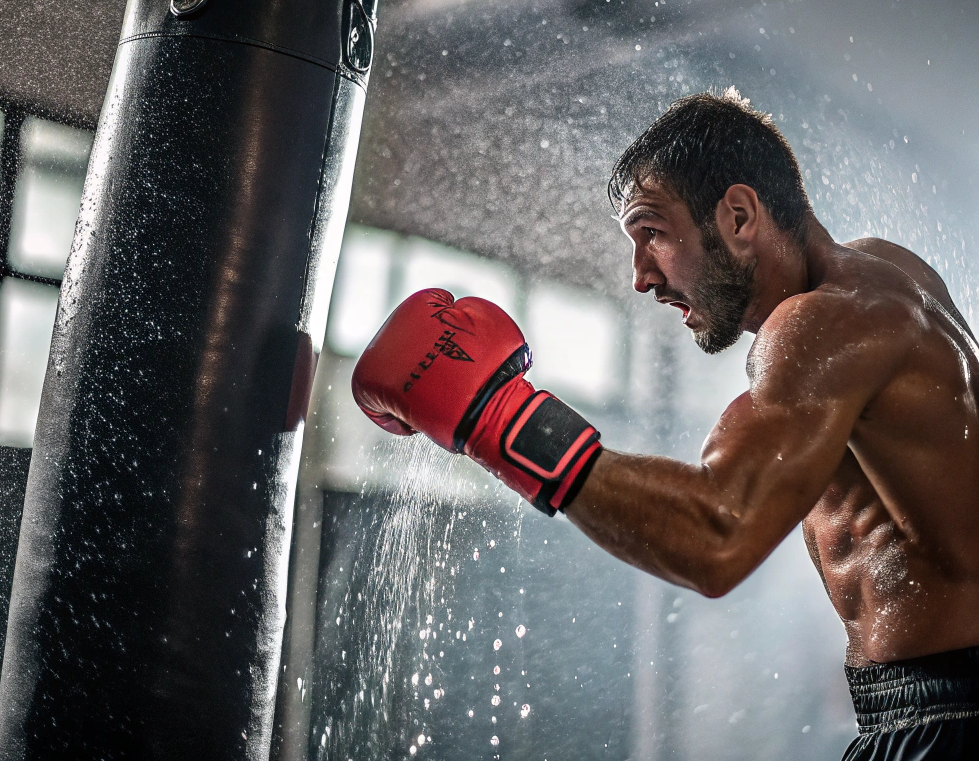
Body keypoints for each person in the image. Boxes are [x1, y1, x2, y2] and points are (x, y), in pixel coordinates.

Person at [352, 89, 979, 760]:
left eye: (651, 232)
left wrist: (496, 417)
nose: (640, 277)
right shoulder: (886, 276)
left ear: (739, 216)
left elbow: (716, 534)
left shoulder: (823, 323)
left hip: (947, 720)